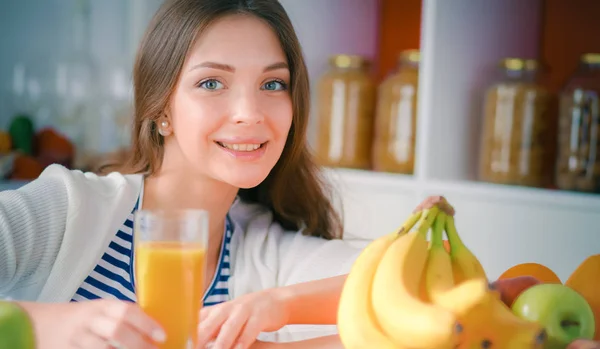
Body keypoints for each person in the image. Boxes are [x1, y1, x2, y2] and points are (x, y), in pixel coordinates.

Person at [0, 0, 453, 348]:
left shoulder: (269, 256)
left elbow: (436, 300)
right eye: (211, 83)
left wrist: (280, 308)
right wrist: (47, 324)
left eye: (272, 84)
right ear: (162, 110)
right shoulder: (68, 208)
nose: (249, 113)